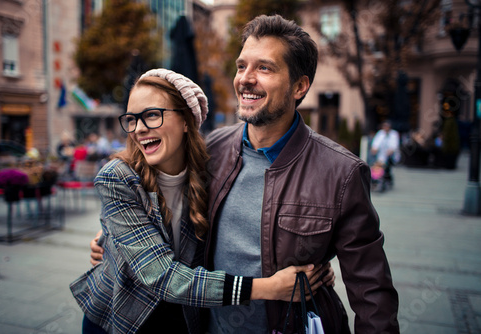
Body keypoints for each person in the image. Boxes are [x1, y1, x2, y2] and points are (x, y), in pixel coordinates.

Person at [91, 15, 398, 333]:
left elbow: (373, 293)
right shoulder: (213, 149)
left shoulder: (341, 173)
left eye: (264, 68)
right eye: (241, 66)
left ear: (299, 86)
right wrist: (111, 239)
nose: (245, 79)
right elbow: (162, 213)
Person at [71, 69, 333, 334]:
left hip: (181, 319)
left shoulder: (210, 173)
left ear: (186, 120)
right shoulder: (117, 177)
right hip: (121, 318)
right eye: (132, 119)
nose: (139, 129)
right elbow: (159, 275)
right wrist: (269, 288)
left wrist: (313, 262)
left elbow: (248, 228)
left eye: (151, 115)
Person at [370, 120, 400, 187]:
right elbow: (376, 143)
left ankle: (387, 180)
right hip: (380, 155)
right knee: (377, 166)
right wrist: (374, 149)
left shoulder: (394, 134)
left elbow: (394, 145)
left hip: (390, 156)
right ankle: (376, 179)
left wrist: (390, 151)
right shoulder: (380, 133)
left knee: (387, 168)